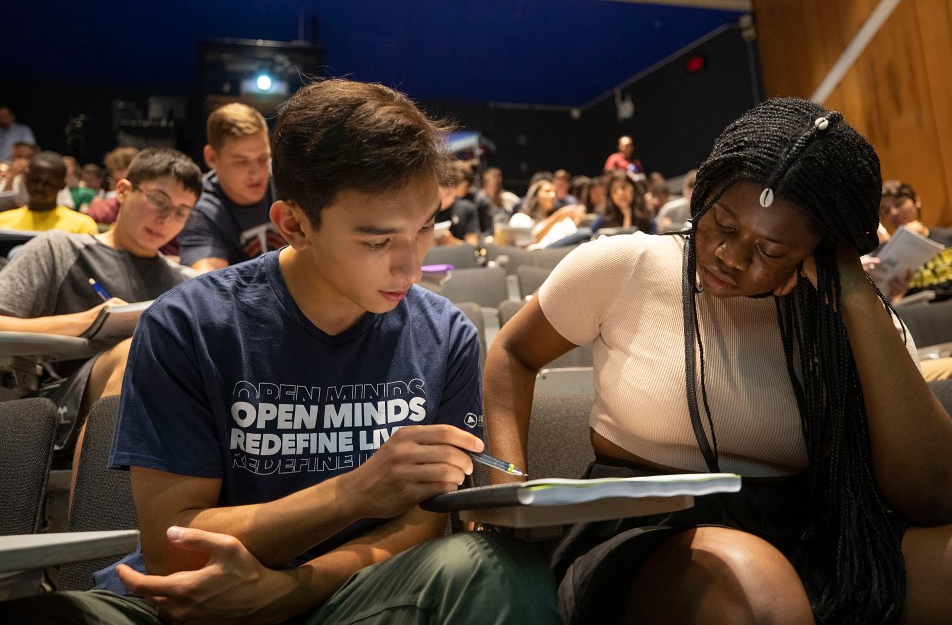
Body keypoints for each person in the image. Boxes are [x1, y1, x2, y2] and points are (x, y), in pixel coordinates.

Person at [0, 78, 558, 624]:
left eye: (426, 229)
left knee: (496, 568)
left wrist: (292, 590)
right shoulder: (189, 325)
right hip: (196, 596)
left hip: (356, 590)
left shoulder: (445, 333)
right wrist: (355, 491)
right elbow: (177, 547)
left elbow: (425, 522)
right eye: (377, 241)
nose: (411, 267)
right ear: (294, 224)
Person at [484, 98, 952, 624]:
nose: (730, 256)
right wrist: (507, 478)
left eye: (770, 251)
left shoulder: (845, 315)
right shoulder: (626, 264)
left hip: (811, 527)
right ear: (707, 192)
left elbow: (936, 498)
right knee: (755, 586)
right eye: (722, 224)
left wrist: (854, 295)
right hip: (647, 534)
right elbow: (512, 352)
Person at [0, 148, 201, 460]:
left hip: (159, 413)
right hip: (59, 399)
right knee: (129, 355)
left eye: (181, 212)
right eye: (158, 200)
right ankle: (97, 507)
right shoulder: (60, 249)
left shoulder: (184, 283)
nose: (166, 218)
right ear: (122, 191)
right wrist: (85, 322)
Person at [177, 102, 285, 272]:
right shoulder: (199, 211)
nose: (256, 173)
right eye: (241, 162)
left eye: (263, 158)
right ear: (212, 158)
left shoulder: (287, 181)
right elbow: (210, 287)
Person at [874, 180, 952, 302]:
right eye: (886, 211)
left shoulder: (951, 237)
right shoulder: (881, 254)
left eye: (899, 204)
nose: (893, 213)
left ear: (917, 201)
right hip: (916, 312)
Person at [0, 151, 98, 234]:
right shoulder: (2, 222)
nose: (40, 187)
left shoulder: (81, 226)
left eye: (48, 183)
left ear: (62, 185)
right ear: (26, 178)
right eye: (35, 180)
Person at [509, 178, 586, 249]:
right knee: (584, 233)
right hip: (539, 256)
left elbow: (573, 238)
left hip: (563, 255)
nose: (553, 195)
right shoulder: (521, 218)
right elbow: (530, 240)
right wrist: (558, 216)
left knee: (584, 235)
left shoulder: (563, 220)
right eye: (547, 191)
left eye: (555, 192)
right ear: (536, 195)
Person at [588, 171, 656, 234]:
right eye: (614, 190)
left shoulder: (646, 213)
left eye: (623, 187)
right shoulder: (605, 214)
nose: (620, 193)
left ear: (634, 189)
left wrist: (627, 216)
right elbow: (592, 235)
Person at [85, 147, 141, 223]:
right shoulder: (99, 212)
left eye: (128, 182)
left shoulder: (149, 214)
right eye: (116, 181)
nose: (122, 188)